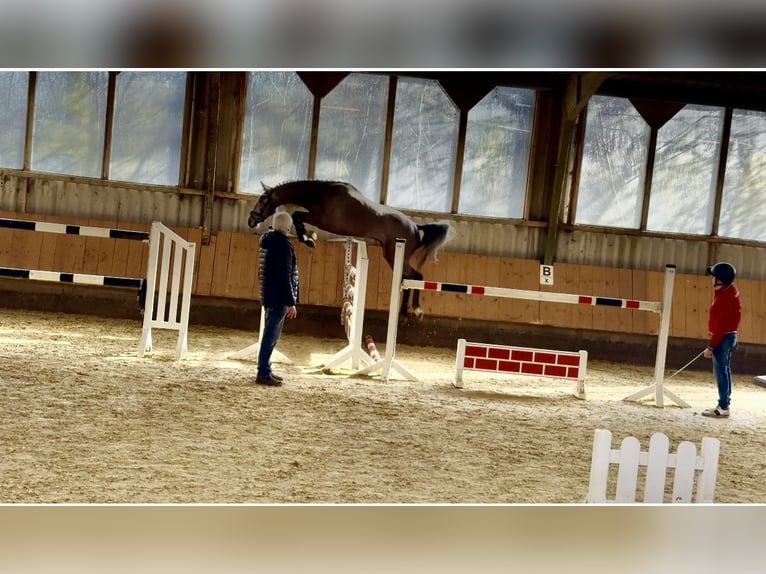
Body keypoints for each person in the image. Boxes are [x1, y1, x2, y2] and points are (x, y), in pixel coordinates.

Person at [256, 211, 299, 386]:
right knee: (270, 336)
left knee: (269, 334)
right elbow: (284, 276)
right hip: (278, 297)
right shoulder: (283, 246)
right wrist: (290, 301)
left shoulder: (268, 241)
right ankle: (263, 372)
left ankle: (266, 369)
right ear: (288, 227)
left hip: (268, 293)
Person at [702, 262, 741, 418]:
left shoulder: (724, 297)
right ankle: (725, 403)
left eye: (714, 276)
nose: (711, 278)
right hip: (730, 336)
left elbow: (720, 327)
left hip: (723, 338)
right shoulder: (729, 291)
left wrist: (710, 347)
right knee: (725, 370)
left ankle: (723, 406)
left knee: (721, 372)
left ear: (720, 279)